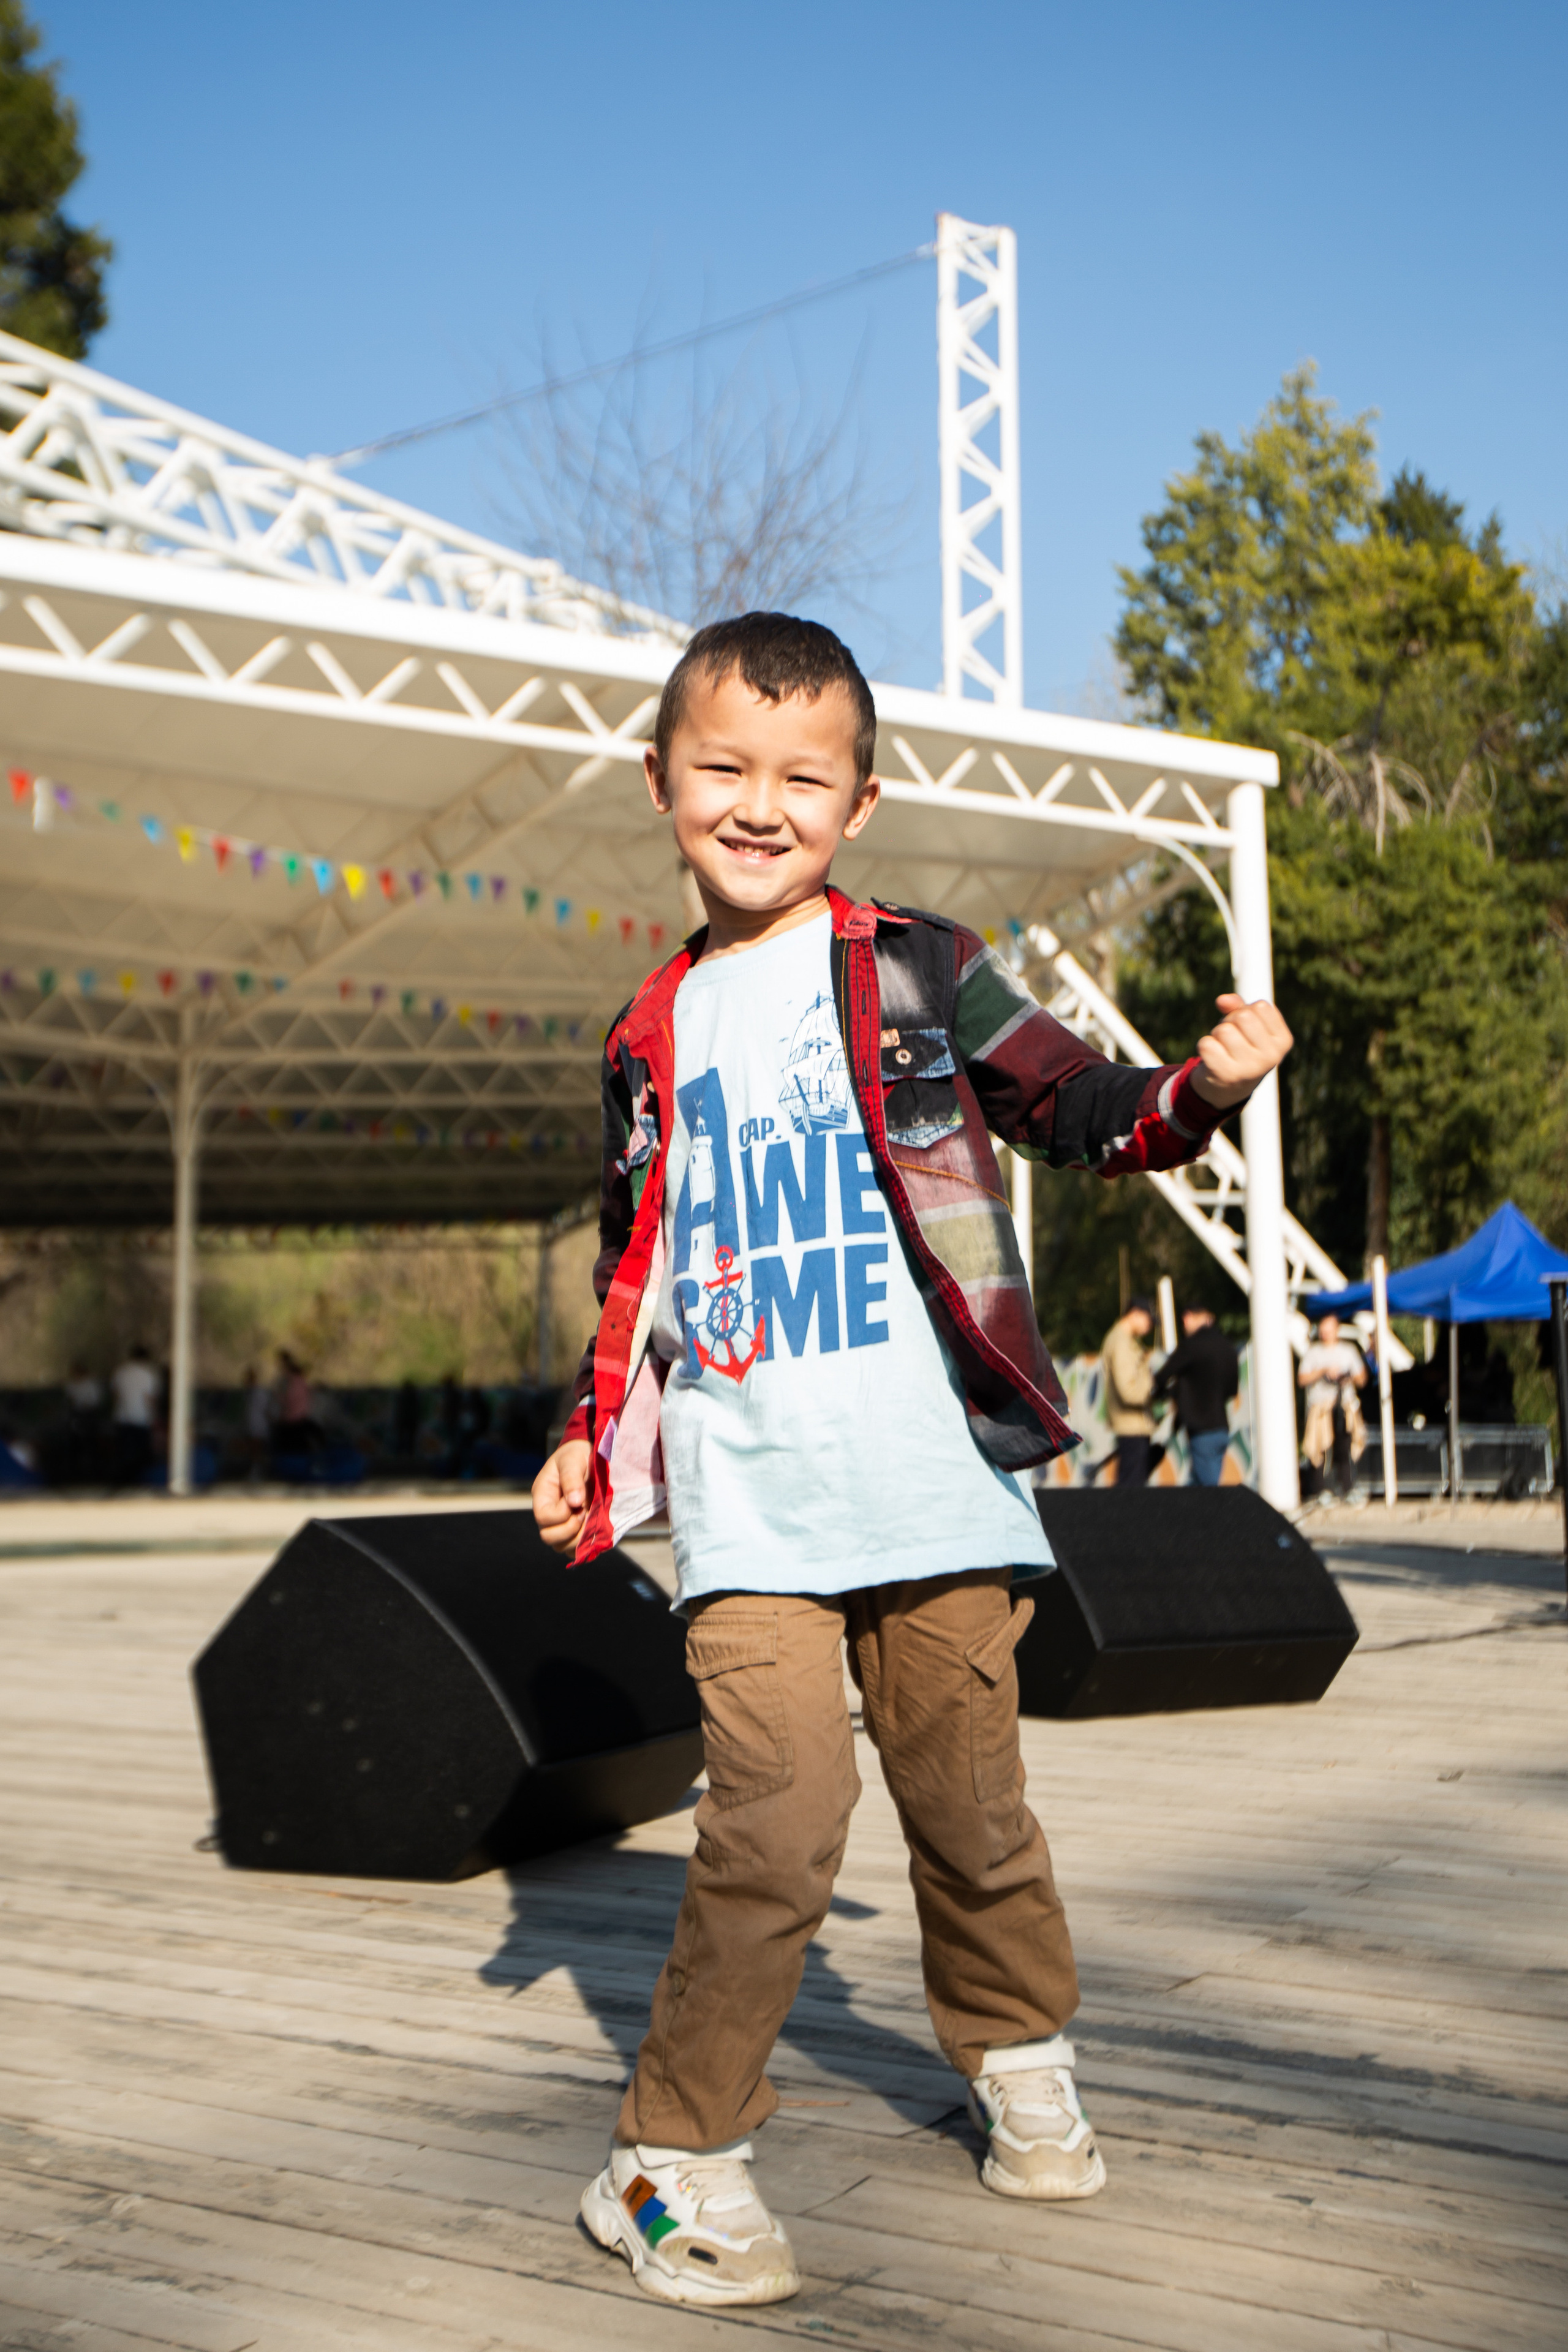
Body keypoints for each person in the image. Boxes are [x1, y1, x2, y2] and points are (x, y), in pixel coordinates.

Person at [529, 612, 1293, 2309]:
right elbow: (634, 1258)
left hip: (939, 1485)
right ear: (660, 781)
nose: (759, 803)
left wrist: (1197, 1089)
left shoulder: (921, 969)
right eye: (722, 767)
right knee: (776, 1822)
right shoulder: (648, 1029)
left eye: (803, 778)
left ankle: (1016, 2049)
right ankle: (667, 2155)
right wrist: (592, 1432)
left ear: (858, 803)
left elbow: (1083, 1109)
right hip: (747, 1500)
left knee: (969, 1804)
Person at [1154, 1305, 1240, 1487]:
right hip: (1221, 1427)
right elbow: (1232, 1390)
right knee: (1197, 1484)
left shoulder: (1191, 1346)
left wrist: (1168, 1394)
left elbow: (1162, 1377)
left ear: (1188, 1318)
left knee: (1207, 1490)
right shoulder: (1228, 1347)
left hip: (1200, 1428)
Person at [1298, 1313, 1367, 1503]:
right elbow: (1302, 1379)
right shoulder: (1313, 1352)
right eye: (1323, 1330)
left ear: (1337, 1330)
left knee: (1345, 1446)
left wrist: (1346, 1377)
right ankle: (1322, 1490)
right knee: (1320, 1448)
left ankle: (1348, 1488)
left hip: (1344, 1405)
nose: (1325, 1334)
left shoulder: (1349, 1351)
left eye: (1328, 1330)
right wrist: (1323, 1371)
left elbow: (1362, 1379)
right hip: (1321, 1408)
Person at [1101, 1297, 1156, 1487]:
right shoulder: (1122, 1342)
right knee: (1132, 1490)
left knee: (1130, 1487)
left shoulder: (1123, 1340)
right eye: (1149, 1320)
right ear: (1135, 1314)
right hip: (1132, 1426)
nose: (1150, 1326)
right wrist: (1153, 1392)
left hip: (1133, 1425)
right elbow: (1129, 1392)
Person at [109, 1343, 159, 1488]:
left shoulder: (120, 1372)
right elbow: (150, 1398)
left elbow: (116, 1395)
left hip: (123, 1418)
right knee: (142, 1454)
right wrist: (155, 1416)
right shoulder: (148, 1374)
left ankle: (123, 1484)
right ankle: (142, 1483)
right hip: (142, 1419)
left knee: (124, 1453)